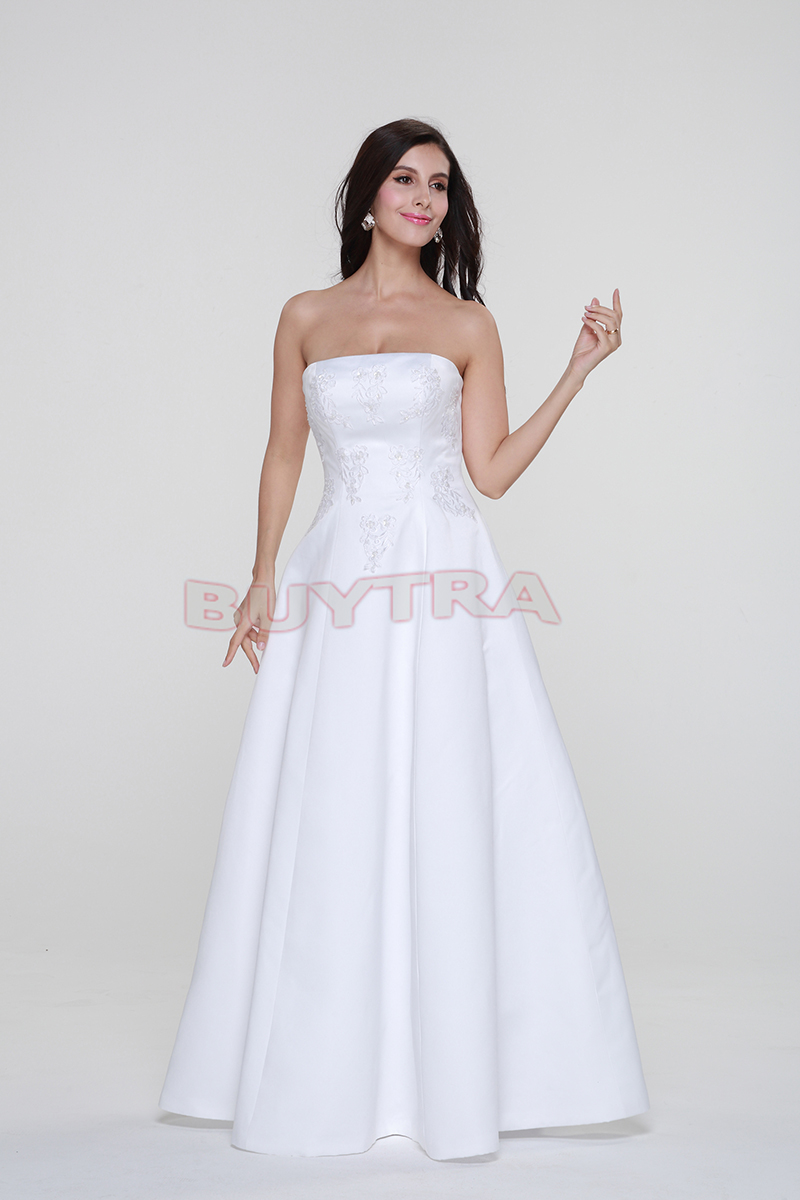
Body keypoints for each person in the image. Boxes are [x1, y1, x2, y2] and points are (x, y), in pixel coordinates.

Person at [159, 117, 648, 1161]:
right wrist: (259, 577)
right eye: (405, 180)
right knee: (335, 798)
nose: (424, 199)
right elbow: (282, 454)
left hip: (442, 577)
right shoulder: (304, 316)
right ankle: (327, 1065)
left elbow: (490, 472)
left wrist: (577, 370)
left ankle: (453, 1073)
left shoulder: (467, 323)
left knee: (443, 792)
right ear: (367, 194)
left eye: (439, 186)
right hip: (337, 574)